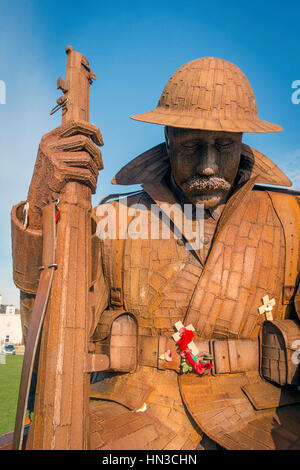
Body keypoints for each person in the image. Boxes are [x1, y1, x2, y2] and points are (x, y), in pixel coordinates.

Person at [11, 57, 300, 450]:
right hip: (129, 416)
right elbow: (46, 333)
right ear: (167, 138)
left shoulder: (292, 219)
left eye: (225, 146)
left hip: (261, 418)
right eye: (192, 146)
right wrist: (42, 196)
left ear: (244, 141)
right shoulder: (114, 218)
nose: (208, 166)